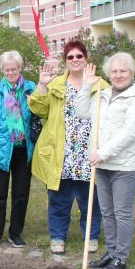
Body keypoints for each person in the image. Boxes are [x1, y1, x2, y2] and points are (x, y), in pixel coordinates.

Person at [28, 40, 103, 255]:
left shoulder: (100, 84)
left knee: (91, 200)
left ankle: (91, 236)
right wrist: (42, 85)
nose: (75, 60)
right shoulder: (56, 85)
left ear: (86, 58)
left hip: (89, 154)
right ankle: (58, 237)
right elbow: (39, 109)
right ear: (65, 61)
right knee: (59, 200)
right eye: (70, 57)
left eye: (79, 56)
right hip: (63, 154)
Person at [78, 53, 135, 269]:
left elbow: (129, 133)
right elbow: (82, 113)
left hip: (124, 166)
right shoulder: (103, 95)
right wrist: (86, 88)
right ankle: (111, 251)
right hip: (103, 164)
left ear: (132, 73)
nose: (118, 75)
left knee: (122, 213)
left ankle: (121, 257)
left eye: (123, 71)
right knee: (107, 211)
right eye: (114, 71)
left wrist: (102, 154)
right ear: (109, 74)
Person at [0, 51, 36, 249]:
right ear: (2, 70)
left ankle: (15, 233)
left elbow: (41, 110)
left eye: (14, 68)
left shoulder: (30, 89)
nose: (11, 72)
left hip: (23, 150)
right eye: (7, 69)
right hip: (0, 150)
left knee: (21, 193)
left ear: (20, 68)